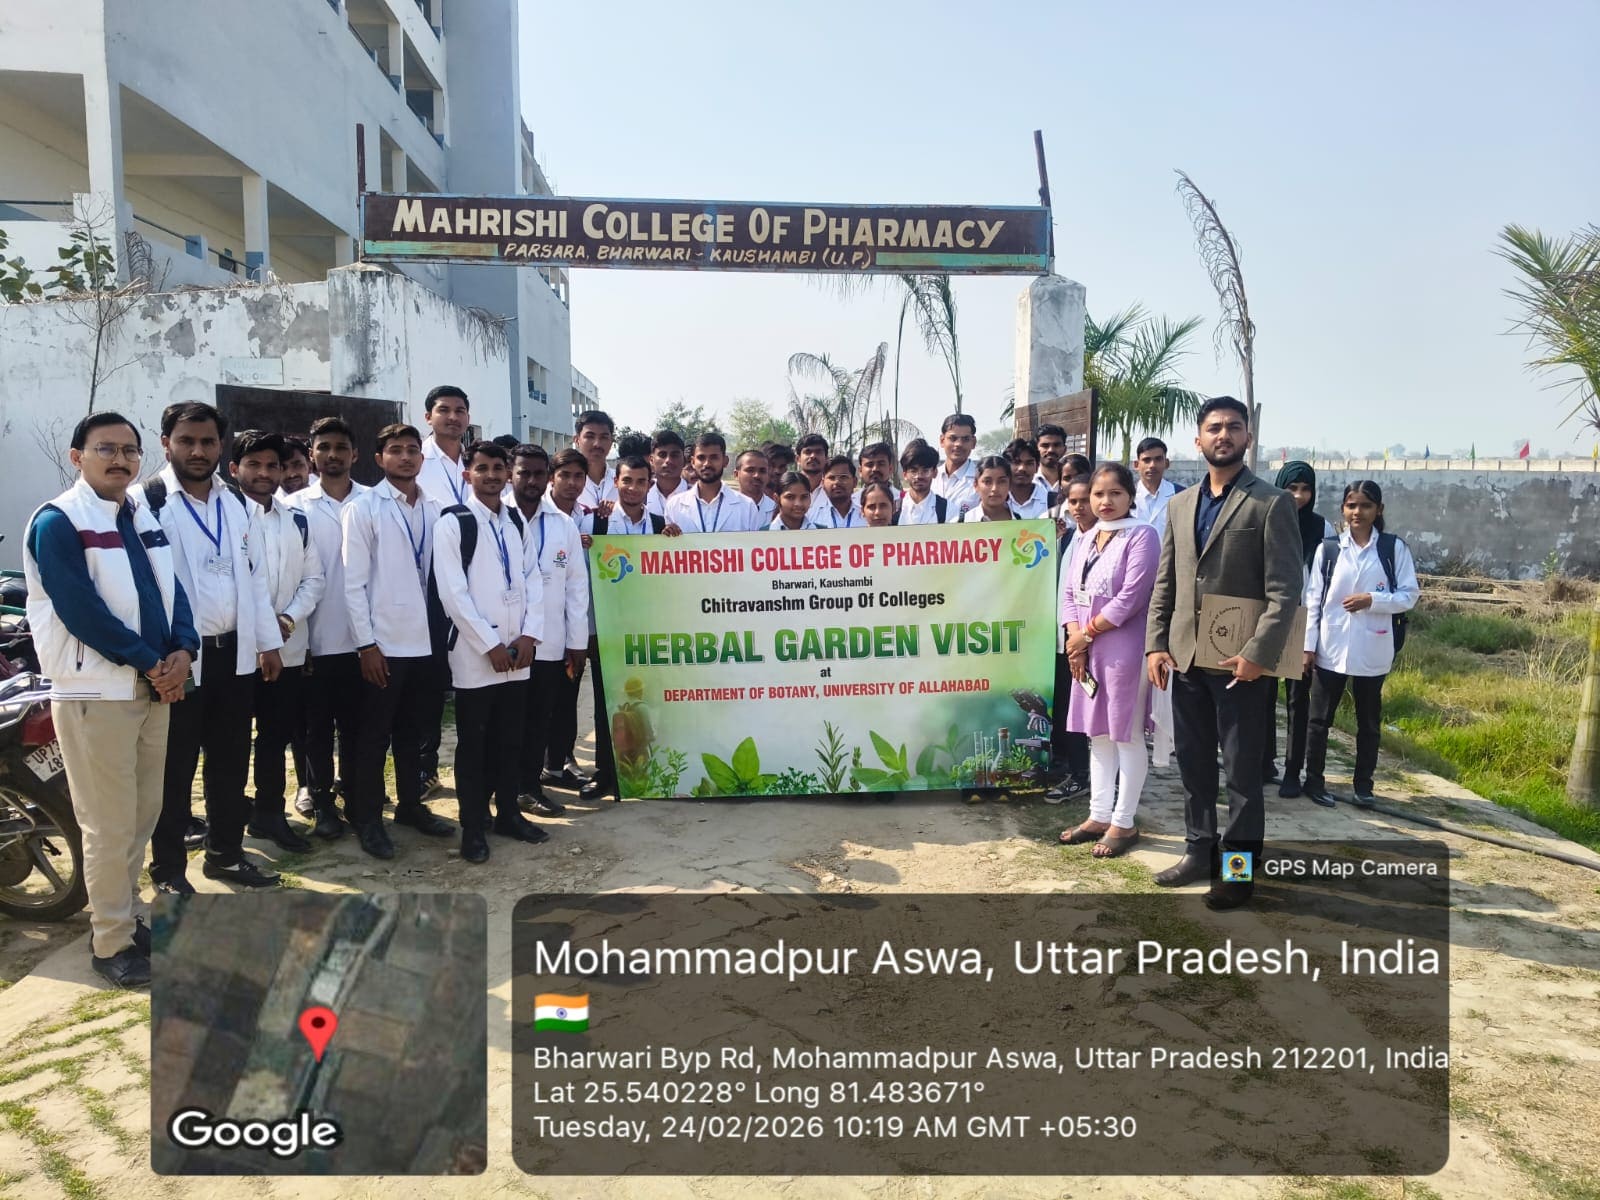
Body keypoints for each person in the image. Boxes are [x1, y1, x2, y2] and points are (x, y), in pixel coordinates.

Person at [24, 412, 198, 987]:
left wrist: (184, 650)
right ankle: (110, 942)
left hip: (152, 686)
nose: (120, 460)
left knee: (143, 813)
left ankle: (126, 917)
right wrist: (151, 661)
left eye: (129, 450)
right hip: (97, 691)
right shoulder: (58, 521)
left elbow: (173, 592)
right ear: (77, 457)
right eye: (106, 449)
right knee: (107, 823)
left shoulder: (140, 515)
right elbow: (80, 610)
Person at [1145, 397, 1302, 910]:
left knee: (1241, 775)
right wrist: (1156, 644)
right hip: (1187, 659)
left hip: (1242, 668)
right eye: (1214, 427)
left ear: (1248, 438)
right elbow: (1166, 582)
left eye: (1234, 427)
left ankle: (1238, 873)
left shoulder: (1271, 503)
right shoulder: (1180, 505)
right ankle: (1198, 851)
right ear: (1198, 440)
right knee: (1193, 766)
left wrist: (1259, 654)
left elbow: (1285, 592)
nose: (1224, 435)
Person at [138, 401, 284, 894]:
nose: (198, 451)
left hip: (233, 654)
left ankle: (225, 854)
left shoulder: (236, 503)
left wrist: (267, 643)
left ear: (221, 446)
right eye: (187, 441)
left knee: (230, 763)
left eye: (207, 441)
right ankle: (168, 871)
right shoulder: (147, 502)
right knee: (174, 770)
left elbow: (254, 578)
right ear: (166, 444)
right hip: (180, 660)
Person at [341, 422, 456, 859]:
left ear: (421, 459)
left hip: (426, 640)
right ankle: (368, 818)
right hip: (385, 643)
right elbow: (353, 584)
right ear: (379, 458)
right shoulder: (364, 508)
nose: (406, 457)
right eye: (396, 450)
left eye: (412, 450)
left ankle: (410, 805)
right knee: (374, 735)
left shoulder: (436, 509)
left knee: (414, 731)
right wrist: (366, 645)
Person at [431, 441, 546, 861]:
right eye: (483, 468)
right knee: (475, 743)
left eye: (499, 468)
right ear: (468, 475)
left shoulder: (514, 520)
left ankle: (509, 813)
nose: (492, 475)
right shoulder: (454, 522)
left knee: (510, 739)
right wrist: (490, 644)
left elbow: (533, 579)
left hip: (518, 651)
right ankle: (473, 826)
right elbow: (453, 594)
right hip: (476, 653)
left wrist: (529, 635)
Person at [228, 431, 324, 854]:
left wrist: (287, 618)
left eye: (273, 465)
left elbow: (314, 579)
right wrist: (264, 629)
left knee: (275, 735)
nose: (264, 473)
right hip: (238, 651)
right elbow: (230, 586)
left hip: (287, 647)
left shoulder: (296, 520)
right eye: (255, 465)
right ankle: (227, 822)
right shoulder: (225, 517)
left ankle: (270, 813)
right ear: (235, 469)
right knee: (230, 741)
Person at [1058, 464, 1160, 857]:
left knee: (1126, 735)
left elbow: (1131, 597)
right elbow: (1070, 593)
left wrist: (1086, 634)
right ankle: (1099, 814)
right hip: (1086, 647)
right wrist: (1075, 639)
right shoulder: (1086, 537)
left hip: (1124, 648)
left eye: (1115, 493)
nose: (1105, 501)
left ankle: (1124, 821)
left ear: (1130, 496)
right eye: (1098, 494)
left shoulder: (1142, 535)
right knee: (1097, 734)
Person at [1302, 481, 1418, 809]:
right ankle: (1314, 781)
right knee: (1319, 720)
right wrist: (1308, 647)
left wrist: (1373, 600)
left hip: (1373, 645)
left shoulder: (1393, 549)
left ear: (1378, 510)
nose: (1358, 512)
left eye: (1366, 505)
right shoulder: (1329, 550)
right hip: (1331, 646)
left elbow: (1409, 595)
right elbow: (1313, 601)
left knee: (1368, 722)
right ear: (1343, 509)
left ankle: (1364, 786)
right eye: (1351, 505)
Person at [289, 416, 367, 838]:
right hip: (314, 641)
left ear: (355, 454)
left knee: (357, 728)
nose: (333, 455)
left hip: (364, 642)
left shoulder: (373, 502)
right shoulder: (294, 507)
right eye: (324, 447)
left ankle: (356, 798)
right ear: (312, 454)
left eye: (341, 447)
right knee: (316, 729)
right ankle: (322, 803)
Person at [511, 445, 588, 815]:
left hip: (551, 641)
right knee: (508, 719)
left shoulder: (563, 524)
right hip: (508, 641)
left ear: (547, 478)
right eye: (524, 473)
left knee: (539, 718)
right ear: (511, 474)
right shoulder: (498, 518)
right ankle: (504, 786)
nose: (532, 480)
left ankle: (529, 787)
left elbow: (576, 587)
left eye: (538, 474)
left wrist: (576, 642)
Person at [1270, 460, 1336, 798]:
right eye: (1291, 488)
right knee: (1261, 695)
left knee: (1298, 699)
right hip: (1267, 617)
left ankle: (1293, 770)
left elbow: (1328, 580)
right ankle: (1262, 762)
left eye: (1305, 489)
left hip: (1303, 621)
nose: (1298, 496)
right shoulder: (1266, 517)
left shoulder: (1323, 528)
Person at [532, 448, 596, 794]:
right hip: (532, 631)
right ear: (551, 478)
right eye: (565, 476)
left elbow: (576, 587)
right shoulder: (529, 513)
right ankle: (530, 774)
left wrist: (578, 639)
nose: (572, 483)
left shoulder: (587, 516)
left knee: (566, 701)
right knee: (536, 706)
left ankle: (559, 764)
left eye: (578, 476)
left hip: (570, 627)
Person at [1044, 474, 1094, 801]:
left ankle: (1104, 778)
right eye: (1073, 501)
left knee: (1099, 713)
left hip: (1095, 639)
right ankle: (1079, 773)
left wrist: (1084, 634)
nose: (1079, 507)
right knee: (1070, 708)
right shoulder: (1069, 539)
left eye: (1085, 500)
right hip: (1067, 639)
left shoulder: (1112, 539)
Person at [664, 433, 759, 533]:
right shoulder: (674, 505)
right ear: (693, 462)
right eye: (701, 458)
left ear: (725, 461)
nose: (707, 464)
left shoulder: (747, 506)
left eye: (714, 457)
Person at [417, 384, 472, 509]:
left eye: (459, 411)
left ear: (468, 419)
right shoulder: (414, 461)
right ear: (428, 417)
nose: (453, 417)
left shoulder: (478, 460)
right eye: (444, 410)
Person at [932, 414, 980, 519]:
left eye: (965, 439)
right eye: (953, 438)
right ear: (942, 440)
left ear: (973, 442)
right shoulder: (930, 478)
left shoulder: (982, 481)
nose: (958, 444)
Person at [1132, 437, 1181, 535]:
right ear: (1136, 465)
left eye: (1158, 459)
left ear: (1166, 463)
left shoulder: (1180, 495)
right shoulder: (1127, 496)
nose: (1152, 465)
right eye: (1146, 460)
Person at [896, 439, 950, 525]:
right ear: (905, 475)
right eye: (913, 471)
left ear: (935, 472)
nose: (919, 476)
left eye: (925, 471)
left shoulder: (948, 509)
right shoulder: (895, 508)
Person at [575, 409, 619, 512]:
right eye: (590, 436)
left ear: (611, 441)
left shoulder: (623, 482)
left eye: (603, 437)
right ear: (577, 440)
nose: (597, 444)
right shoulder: (567, 483)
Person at [645, 429, 690, 521]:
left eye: (674, 455)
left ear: (684, 460)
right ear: (651, 460)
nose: (668, 460)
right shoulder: (641, 497)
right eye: (662, 455)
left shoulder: (698, 496)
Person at [961, 456, 1016, 522]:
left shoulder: (1021, 521)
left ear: (1010, 485)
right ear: (976, 485)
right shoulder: (965, 521)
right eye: (987, 482)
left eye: (1001, 481)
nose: (994, 488)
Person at [1005, 438, 1050, 517]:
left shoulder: (1051, 501)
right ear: (1006, 466)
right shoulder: (996, 500)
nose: (1022, 468)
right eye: (1016, 462)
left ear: (1037, 467)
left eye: (1029, 463)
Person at [815, 455, 864, 528]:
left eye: (843, 477)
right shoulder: (812, 516)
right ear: (823, 483)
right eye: (832, 478)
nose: (837, 482)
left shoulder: (866, 517)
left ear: (855, 482)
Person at [734, 448, 777, 526]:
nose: (757, 475)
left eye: (762, 471)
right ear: (736, 475)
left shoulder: (776, 510)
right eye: (750, 470)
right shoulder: (723, 507)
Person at [1034, 424, 1068, 491]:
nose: (1051, 450)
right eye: (1045, 445)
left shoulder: (1073, 481)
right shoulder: (1028, 480)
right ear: (1036, 449)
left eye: (1056, 445)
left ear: (1064, 449)